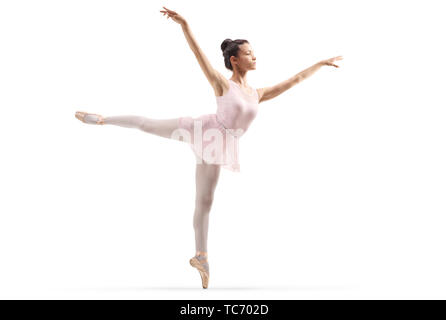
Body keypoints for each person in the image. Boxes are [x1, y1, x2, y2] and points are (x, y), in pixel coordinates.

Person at [74, 6, 343, 289]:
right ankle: (103, 119)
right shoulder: (222, 84)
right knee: (149, 124)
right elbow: (197, 55)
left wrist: (320, 64)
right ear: (234, 60)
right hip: (203, 129)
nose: (254, 56)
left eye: (254, 52)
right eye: (248, 53)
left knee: (205, 201)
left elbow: (294, 81)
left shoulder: (257, 93)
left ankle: (200, 257)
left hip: (219, 144)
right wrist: (185, 25)